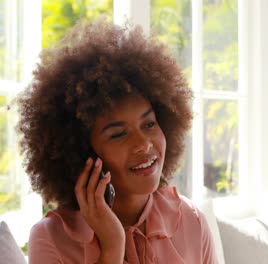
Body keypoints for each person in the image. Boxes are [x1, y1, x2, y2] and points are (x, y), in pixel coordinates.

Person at [17, 19, 217, 264]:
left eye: (149, 124)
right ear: (82, 153)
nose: (144, 144)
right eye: (118, 134)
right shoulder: (51, 239)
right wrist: (112, 246)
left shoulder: (191, 219)